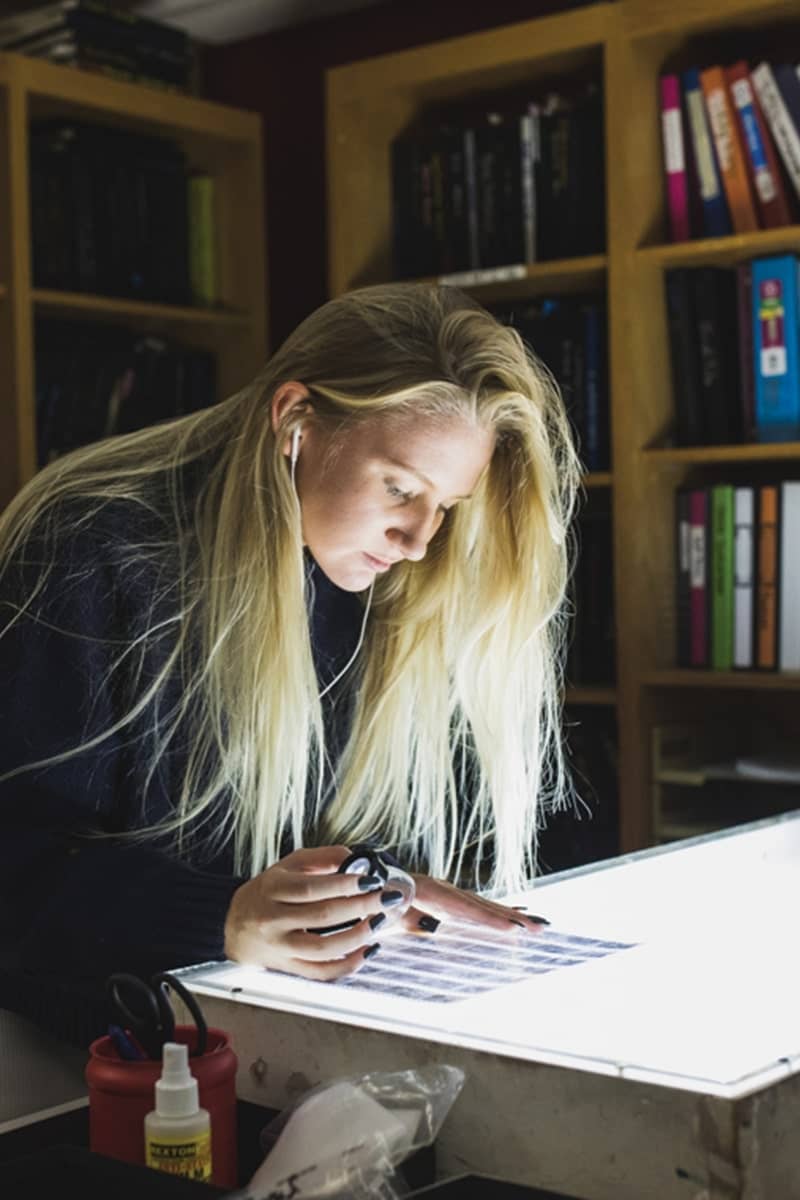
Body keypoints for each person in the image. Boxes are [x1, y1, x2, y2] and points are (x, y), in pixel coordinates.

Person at [0, 283, 580, 1046]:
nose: (417, 539)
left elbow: (282, 840)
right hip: (87, 1053)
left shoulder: (373, 572)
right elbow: (19, 863)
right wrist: (226, 917)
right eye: (400, 488)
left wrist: (371, 889)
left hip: (262, 1024)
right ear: (296, 421)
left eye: (447, 505)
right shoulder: (89, 547)